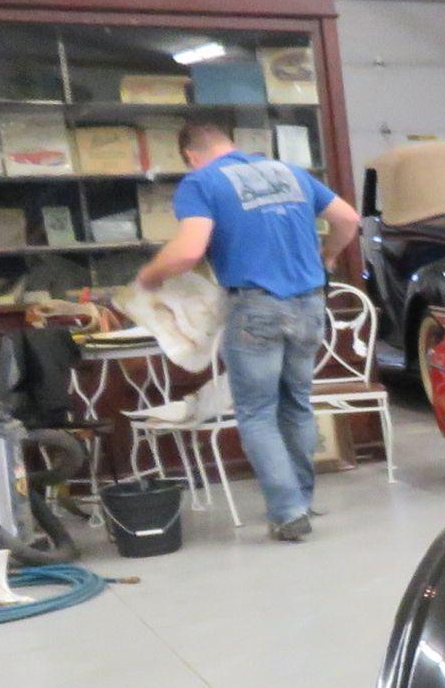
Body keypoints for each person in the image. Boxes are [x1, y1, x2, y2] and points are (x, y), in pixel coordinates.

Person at [135, 115, 362, 542]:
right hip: (311, 304)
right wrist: (327, 256)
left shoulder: (200, 183)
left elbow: (188, 252)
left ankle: (288, 511)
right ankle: (301, 497)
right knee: (296, 403)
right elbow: (348, 220)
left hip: (256, 306)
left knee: (257, 412)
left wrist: (150, 276)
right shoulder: (290, 173)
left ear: (190, 155)